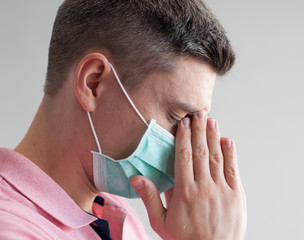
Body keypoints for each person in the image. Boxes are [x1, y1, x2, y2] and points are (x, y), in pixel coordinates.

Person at [0, 0, 247, 239]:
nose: (190, 142)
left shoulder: (114, 215)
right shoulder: (10, 228)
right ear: (93, 83)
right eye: (179, 117)